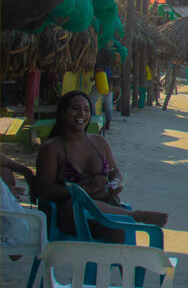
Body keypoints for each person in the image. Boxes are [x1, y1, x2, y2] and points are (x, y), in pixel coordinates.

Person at [35, 91, 169, 243]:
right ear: (63, 113)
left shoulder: (99, 142)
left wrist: (116, 183)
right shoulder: (52, 148)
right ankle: (136, 216)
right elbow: (44, 191)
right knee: (80, 204)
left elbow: (115, 173)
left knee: (116, 230)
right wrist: (84, 188)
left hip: (107, 207)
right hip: (70, 213)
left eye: (86, 110)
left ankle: (114, 264)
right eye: (75, 108)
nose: (82, 114)